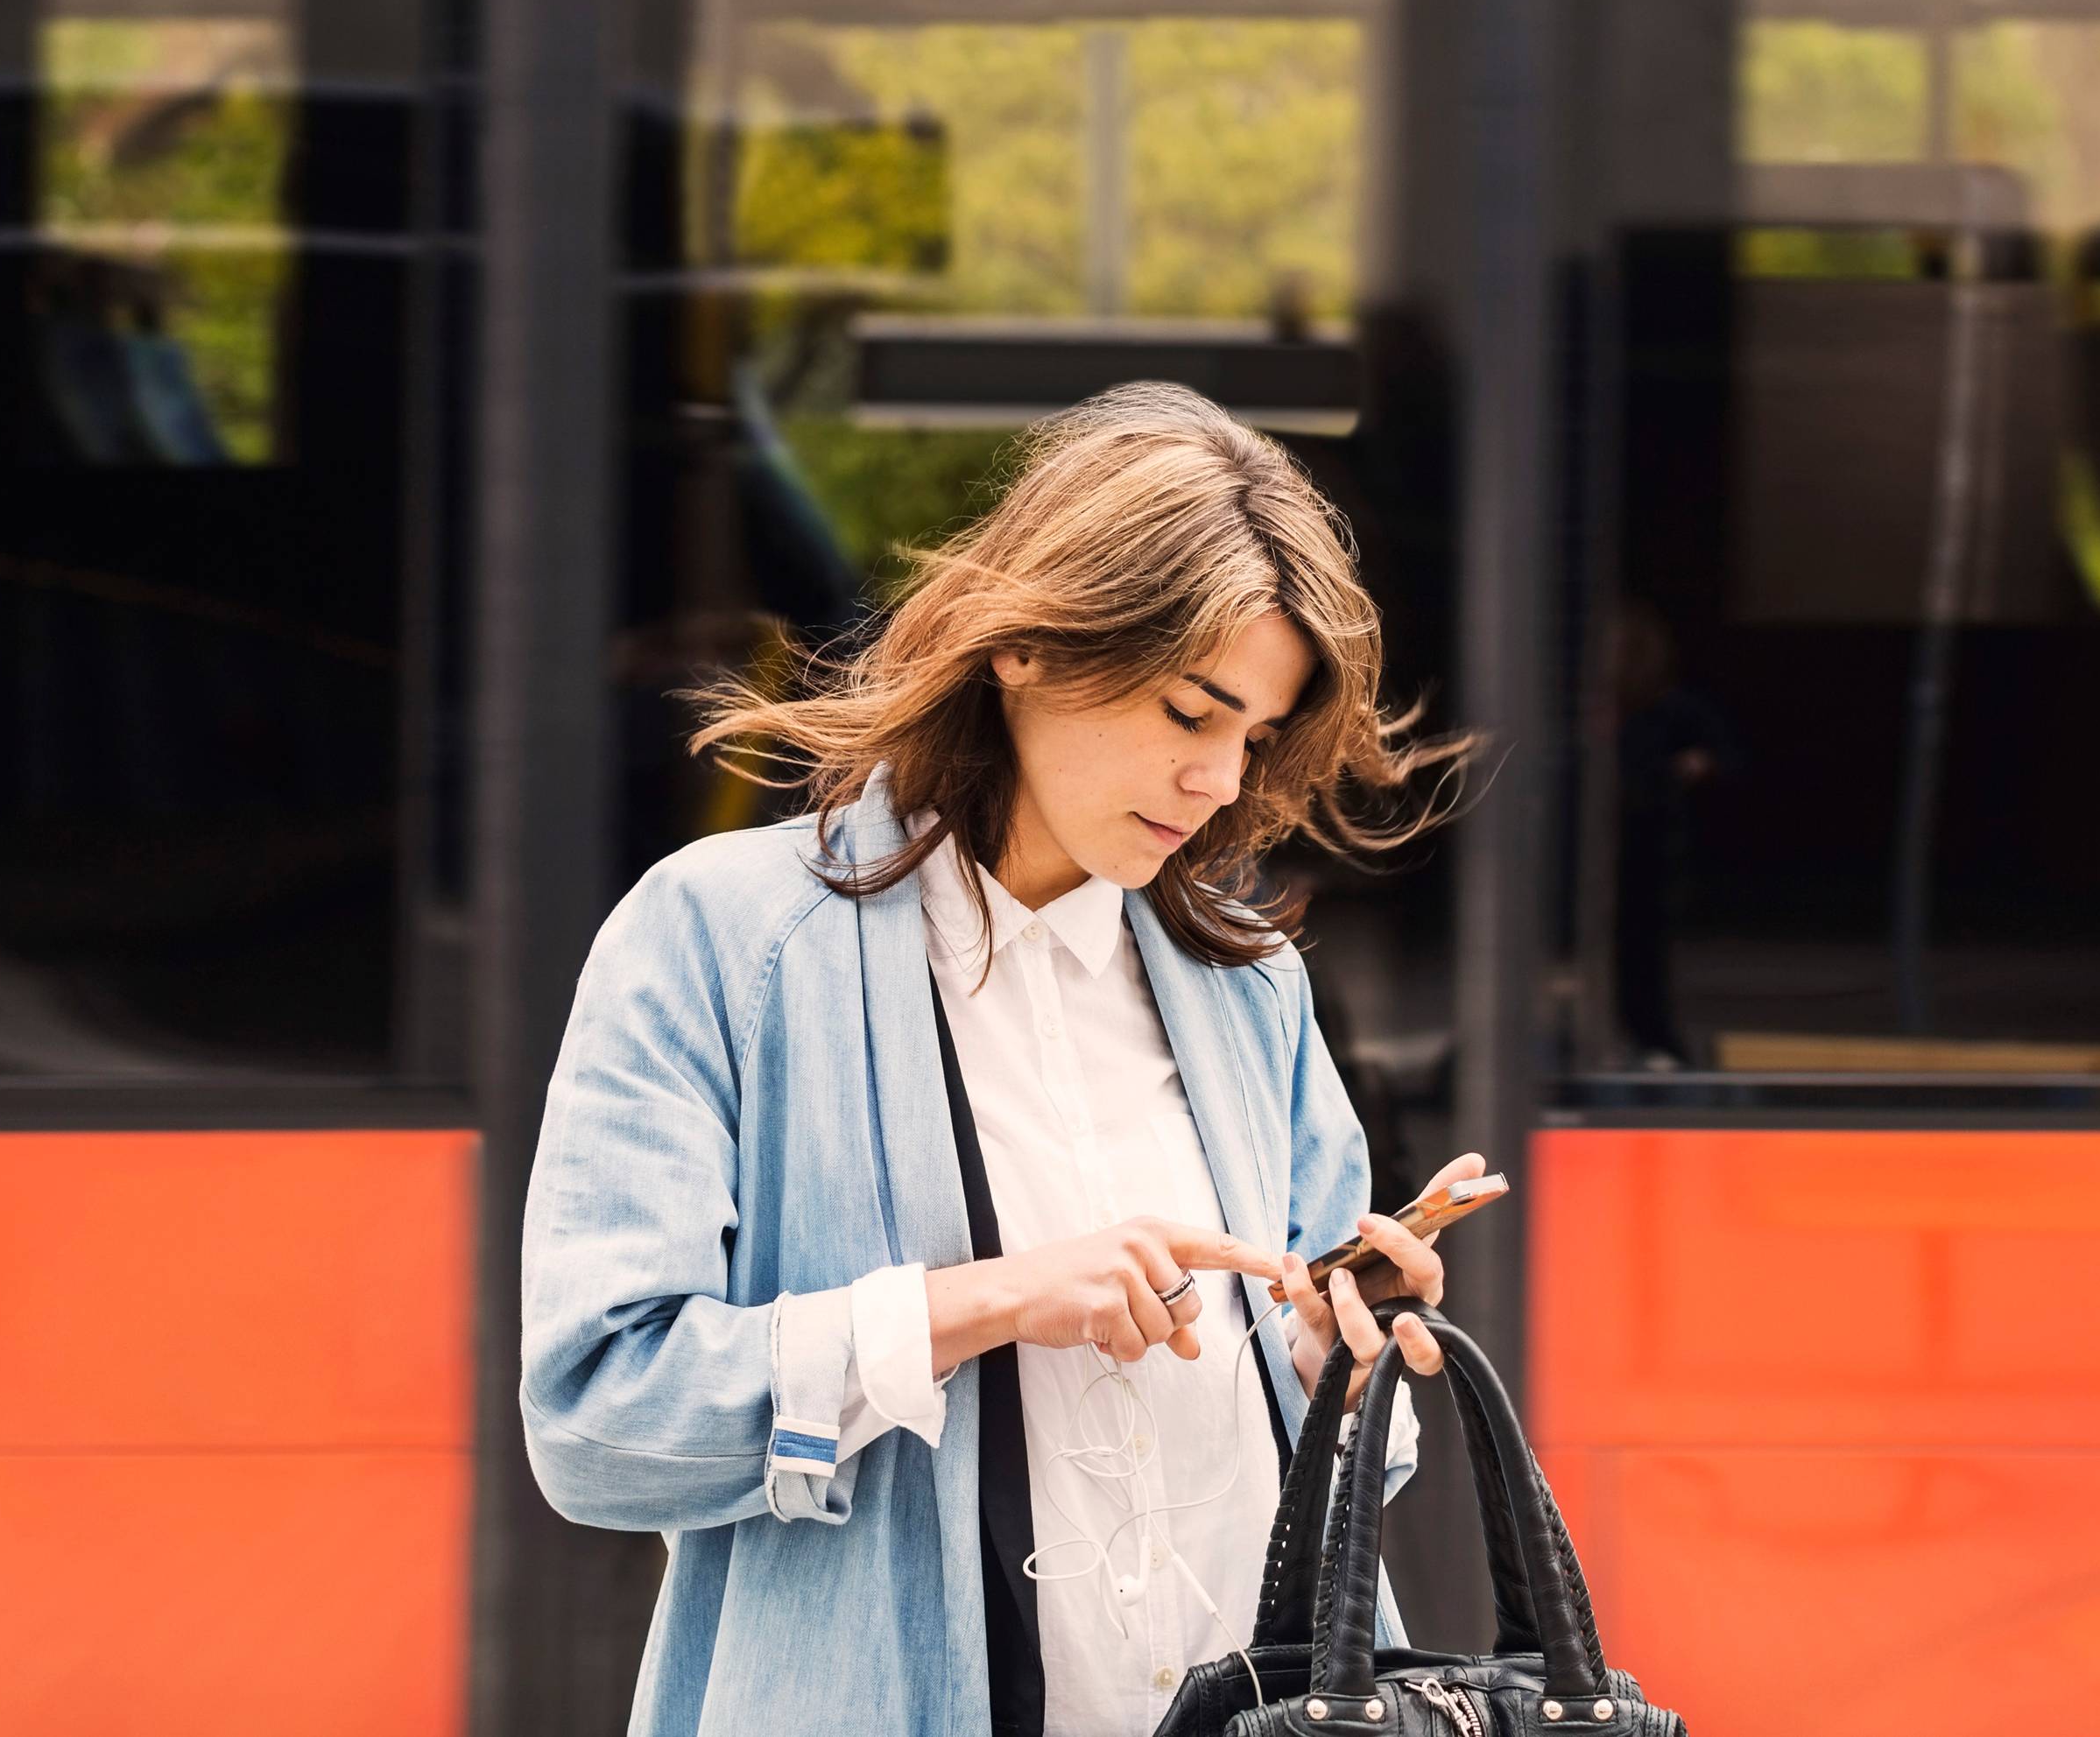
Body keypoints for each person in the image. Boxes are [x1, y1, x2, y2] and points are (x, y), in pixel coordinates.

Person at [519, 383, 1482, 1737]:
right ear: (1026, 648)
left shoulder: (1250, 987)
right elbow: (600, 1422)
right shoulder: (723, 941)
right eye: (1189, 712)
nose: (1220, 780)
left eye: (1254, 737)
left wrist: (1338, 1354)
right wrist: (988, 1300)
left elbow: (1335, 1479)